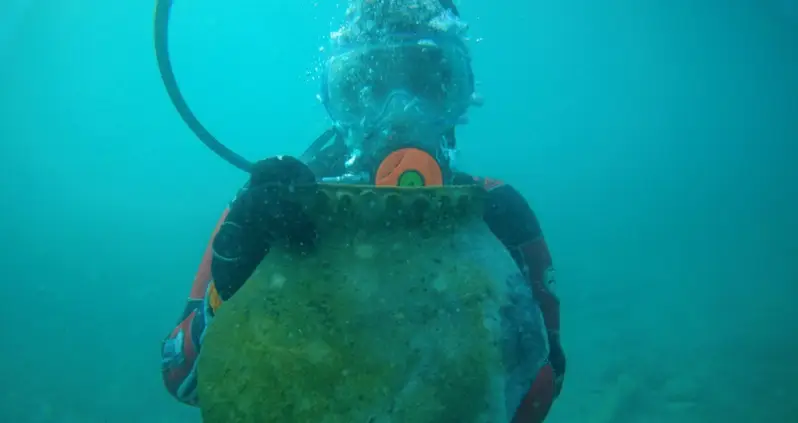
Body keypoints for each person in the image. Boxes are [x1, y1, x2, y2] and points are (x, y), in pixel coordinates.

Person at [159, 1, 566, 422]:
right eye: (367, 91)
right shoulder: (271, 208)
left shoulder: (498, 214)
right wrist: (224, 293)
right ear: (337, 102)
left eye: (427, 86)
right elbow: (181, 377)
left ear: (458, 96)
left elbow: (546, 379)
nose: (399, 116)